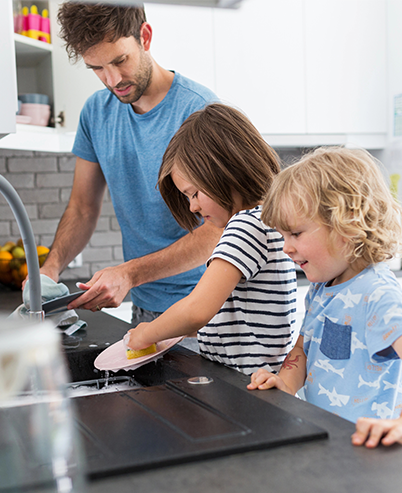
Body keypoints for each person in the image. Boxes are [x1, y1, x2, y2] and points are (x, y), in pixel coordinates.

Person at [247, 147, 402, 449]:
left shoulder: (375, 293)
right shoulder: (322, 287)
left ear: (347, 225)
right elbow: (305, 346)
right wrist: (285, 383)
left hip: (370, 453)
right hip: (331, 442)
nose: (286, 247)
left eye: (296, 234)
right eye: (283, 236)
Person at [37, 2, 220, 326]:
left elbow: (218, 229)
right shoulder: (96, 112)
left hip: (209, 306)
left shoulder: (200, 111)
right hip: (145, 307)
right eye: (96, 68)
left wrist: (129, 274)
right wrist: (49, 271)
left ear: (145, 37)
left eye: (120, 60)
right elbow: (82, 208)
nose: (112, 79)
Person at [125, 104, 297, 374]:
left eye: (194, 193)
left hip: (245, 385)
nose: (193, 207)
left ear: (224, 171)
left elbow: (197, 309)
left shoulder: (245, 226)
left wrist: (147, 333)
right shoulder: (269, 219)